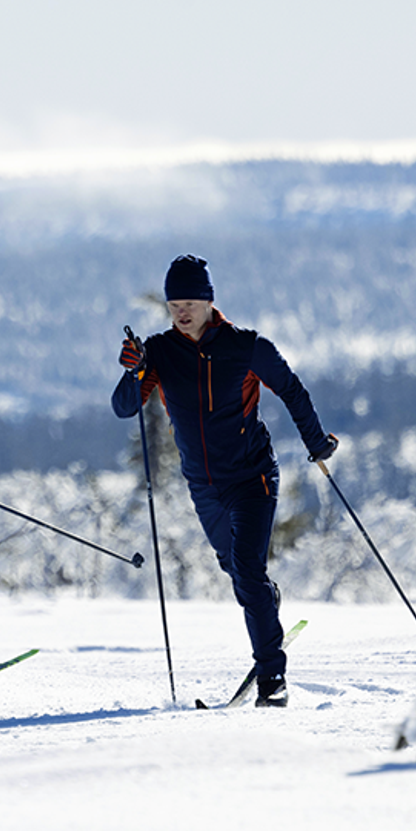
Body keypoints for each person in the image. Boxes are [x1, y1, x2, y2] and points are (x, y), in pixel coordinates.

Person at [112, 255, 338, 708]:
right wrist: (132, 370)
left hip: (252, 476)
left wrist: (316, 443)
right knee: (236, 571)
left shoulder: (246, 346)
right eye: (175, 303)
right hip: (203, 485)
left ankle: (273, 679)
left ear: (210, 301)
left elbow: (290, 388)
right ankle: (266, 602)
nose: (182, 311)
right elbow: (124, 407)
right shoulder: (159, 351)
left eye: (191, 302)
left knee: (248, 570)